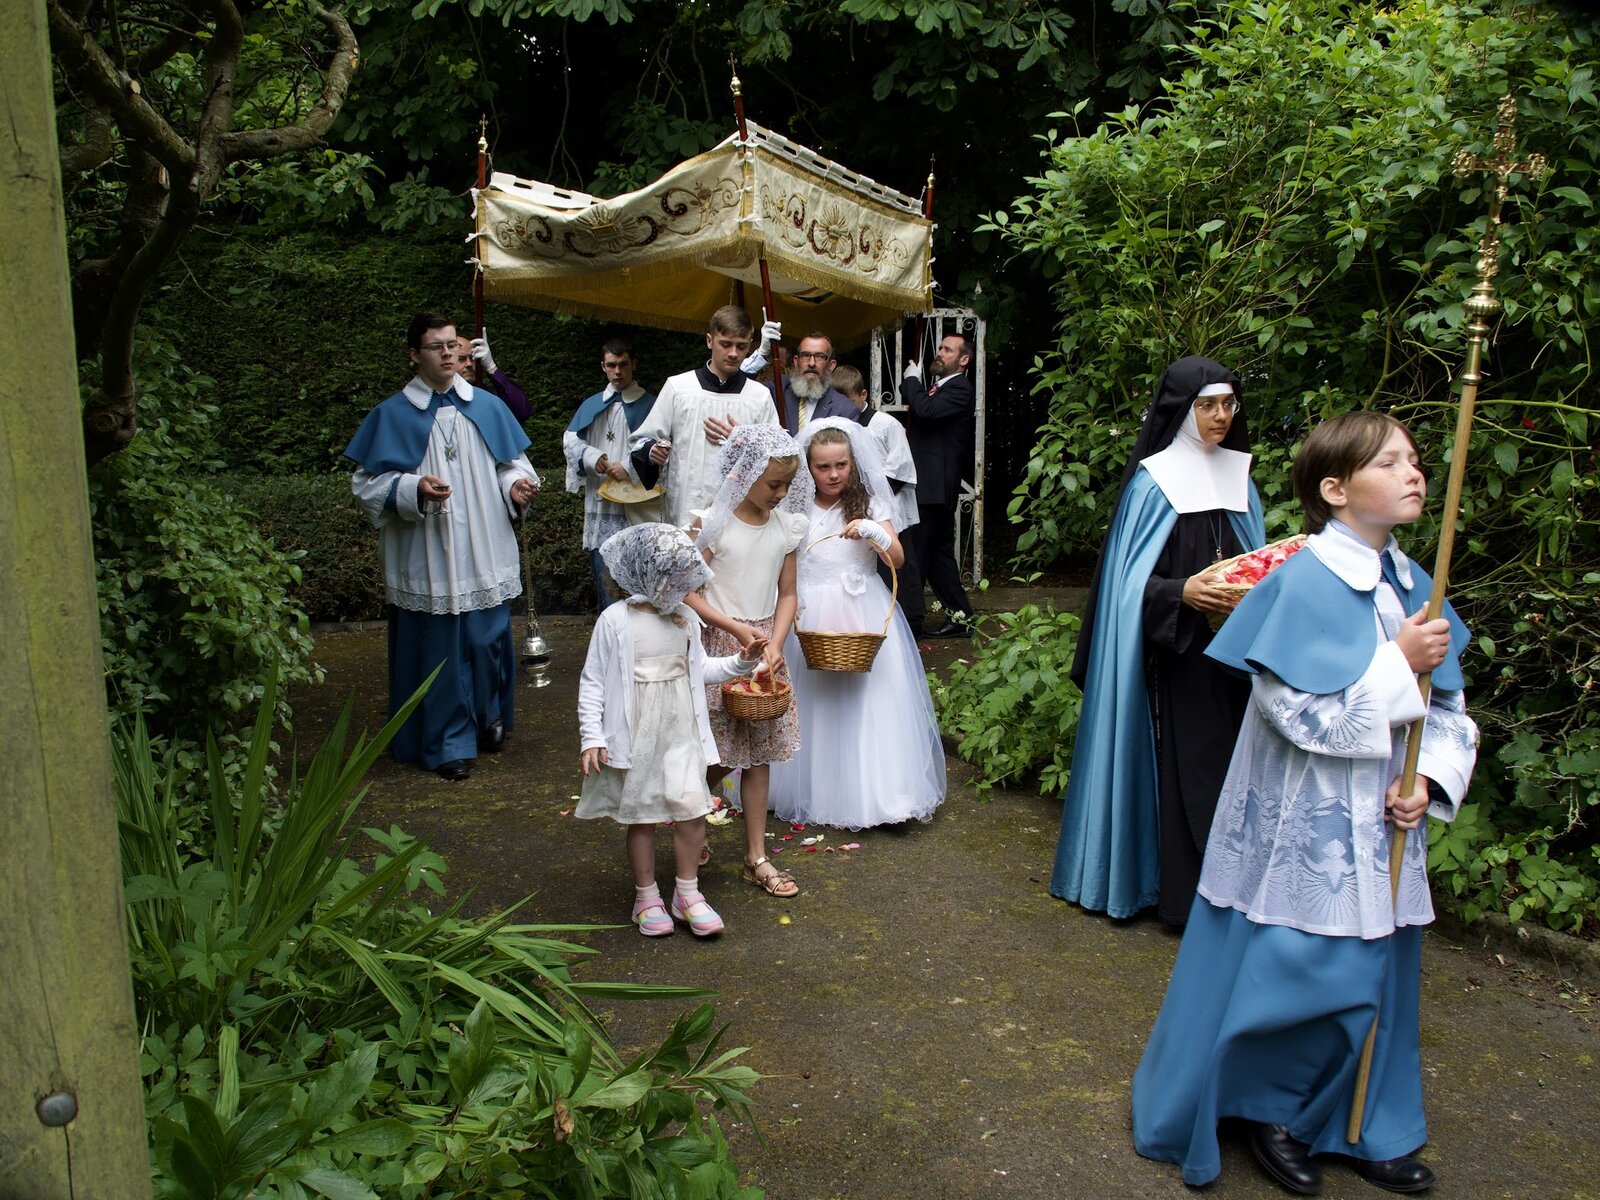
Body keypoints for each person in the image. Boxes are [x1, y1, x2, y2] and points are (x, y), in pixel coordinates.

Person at [1131, 411, 1477, 1195]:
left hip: (1385, 819)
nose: (1414, 473)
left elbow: (1451, 712)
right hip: (1306, 822)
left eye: (1417, 460)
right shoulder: (1299, 579)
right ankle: (1272, 1112)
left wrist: (1428, 779)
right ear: (1335, 488)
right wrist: (1395, 663)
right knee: (1301, 970)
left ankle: (1363, 1123)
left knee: (1381, 971)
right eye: (1389, 463)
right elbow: (1302, 716)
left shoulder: (1419, 584)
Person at [1049, 357, 1266, 924]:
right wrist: (1182, 593)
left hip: (1233, 658)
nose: (1221, 416)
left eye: (1228, 404)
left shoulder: (1241, 477)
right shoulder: (1154, 482)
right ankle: (1178, 894)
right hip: (1174, 659)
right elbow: (1125, 591)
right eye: (1208, 405)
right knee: (1186, 771)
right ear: (1182, 411)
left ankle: (1231, 888)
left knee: (1230, 769)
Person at [346, 314, 540, 782]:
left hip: (483, 543)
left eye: (454, 345)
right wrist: (413, 488)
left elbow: (511, 465)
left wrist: (516, 487)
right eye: (436, 347)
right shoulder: (391, 414)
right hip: (427, 548)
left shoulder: (490, 408)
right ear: (414, 354)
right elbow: (366, 484)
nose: (449, 354)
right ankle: (448, 742)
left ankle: (488, 718)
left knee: (486, 639)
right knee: (440, 651)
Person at [576, 523, 770, 937]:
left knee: (691, 807)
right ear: (647, 575)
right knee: (642, 815)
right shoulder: (615, 621)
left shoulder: (685, 619)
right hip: (638, 734)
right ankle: (646, 896)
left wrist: (741, 662)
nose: (684, 589)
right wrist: (591, 734)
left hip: (681, 730)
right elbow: (593, 681)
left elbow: (700, 669)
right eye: (677, 579)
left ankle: (687, 892)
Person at [769, 418, 946, 828]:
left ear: (853, 464)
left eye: (841, 466)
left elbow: (898, 559)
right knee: (815, 705)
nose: (833, 475)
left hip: (860, 608)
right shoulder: (794, 507)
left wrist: (875, 534)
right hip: (808, 612)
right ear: (807, 467)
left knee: (868, 703)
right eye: (823, 467)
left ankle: (880, 794)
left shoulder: (870, 504)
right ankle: (810, 789)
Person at [687, 424, 808, 898]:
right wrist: (735, 630)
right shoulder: (714, 524)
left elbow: (789, 592)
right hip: (723, 645)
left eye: (786, 485)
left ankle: (755, 856)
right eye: (773, 483)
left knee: (758, 757)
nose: (781, 494)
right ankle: (687, 814)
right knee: (716, 752)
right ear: (744, 473)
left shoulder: (785, 528)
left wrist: (776, 643)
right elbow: (689, 591)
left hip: (765, 650)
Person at [630, 305, 779, 530]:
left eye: (741, 346)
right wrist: (653, 451)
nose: (733, 353)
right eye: (725, 344)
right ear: (710, 340)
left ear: (751, 344)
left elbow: (778, 457)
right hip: (685, 506)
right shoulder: (679, 388)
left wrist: (743, 440)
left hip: (741, 510)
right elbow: (642, 441)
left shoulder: (759, 396)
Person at [563, 337, 658, 613]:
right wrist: (595, 458)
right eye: (612, 365)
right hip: (601, 505)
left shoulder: (650, 404)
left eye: (623, 365)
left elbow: (660, 445)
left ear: (633, 365)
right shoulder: (592, 404)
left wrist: (628, 466)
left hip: (636, 510)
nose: (618, 372)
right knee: (606, 586)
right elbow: (571, 441)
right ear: (603, 367)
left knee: (639, 585)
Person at [899, 333, 977, 637]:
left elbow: (927, 412)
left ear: (963, 359)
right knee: (937, 558)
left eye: (948, 349)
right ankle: (962, 617)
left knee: (917, 555)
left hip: (932, 488)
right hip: (929, 486)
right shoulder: (939, 388)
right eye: (941, 347)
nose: (940, 352)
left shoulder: (959, 387)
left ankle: (910, 621)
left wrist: (911, 381)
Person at [836, 364, 921, 612]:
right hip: (855, 510)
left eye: (848, 399)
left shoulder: (885, 424)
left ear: (862, 395)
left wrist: (870, 504)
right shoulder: (839, 427)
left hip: (888, 507)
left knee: (899, 567)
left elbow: (899, 469)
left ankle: (910, 618)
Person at [753, 332, 865, 434]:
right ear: (796, 361)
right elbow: (741, 389)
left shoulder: (845, 410)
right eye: (805, 355)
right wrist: (761, 355)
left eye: (820, 357)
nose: (811, 363)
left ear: (831, 365)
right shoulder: (776, 389)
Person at [453, 327, 531, 422]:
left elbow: (523, 411)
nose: (469, 364)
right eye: (461, 359)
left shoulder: (488, 395)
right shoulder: (437, 397)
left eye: (472, 358)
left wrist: (491, 367)